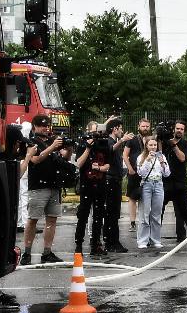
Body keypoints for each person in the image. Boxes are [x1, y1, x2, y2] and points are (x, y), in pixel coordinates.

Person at [21, 114, 73, 265]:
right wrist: (52, 147)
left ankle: (47, 252)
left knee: (52, 219)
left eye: (47, 125)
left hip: (54, 185)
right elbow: (35, 160)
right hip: (38, 186)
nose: (45, 128)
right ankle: (27, 252)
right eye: (42, 125)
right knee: (33, 220)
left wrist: (68, 148)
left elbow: (66, 158)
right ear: (35, 126)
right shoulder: (31, 141)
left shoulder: (52, 140)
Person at [73, 125, 111, 256]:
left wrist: (99, 168)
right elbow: (79, 163)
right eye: (94, 132)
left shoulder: (104, 144)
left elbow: (108, 164)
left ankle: (96, 244)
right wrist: (88, 147)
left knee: (99, 216)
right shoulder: (83, 143)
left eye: (98, 132)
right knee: (83, 215)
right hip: (86, 185)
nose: (97, 134)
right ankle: (78, 245)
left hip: (100, 184)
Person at [103, 118, 134, 253]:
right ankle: (111, 242)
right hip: (110, 181)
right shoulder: (108, 141)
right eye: (120, 128)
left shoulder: (113, 142)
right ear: (115, 129)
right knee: (111, 213)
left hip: (115, 180)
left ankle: (111, 241)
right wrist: (122, 140)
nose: (121, 131)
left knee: (114, 213)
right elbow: (109, 150)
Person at [136, 136, 171, 248]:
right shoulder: (141, 157)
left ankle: (155, 239)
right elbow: (141, 173)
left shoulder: (161, 156)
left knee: (156, 214)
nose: (153, 147)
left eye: (155, 145)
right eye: (150, 145)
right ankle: (142, 241)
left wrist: (162, 163)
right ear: (146, 145)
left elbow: (167, 174)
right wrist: (147, 160)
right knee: (145, 214)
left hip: (158, 185)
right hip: (146, 185)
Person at [123, 118, 152, 233]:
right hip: (134, 172)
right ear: (138, 126)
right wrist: (130, 169)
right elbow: (125, 155)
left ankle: (145, 221)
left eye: (147, 126)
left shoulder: (151, 140)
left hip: (148, 173)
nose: (145, 128)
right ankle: (132, 222)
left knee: (146, 198)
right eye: (143, 126)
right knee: (132, 197)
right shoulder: (132, 139)